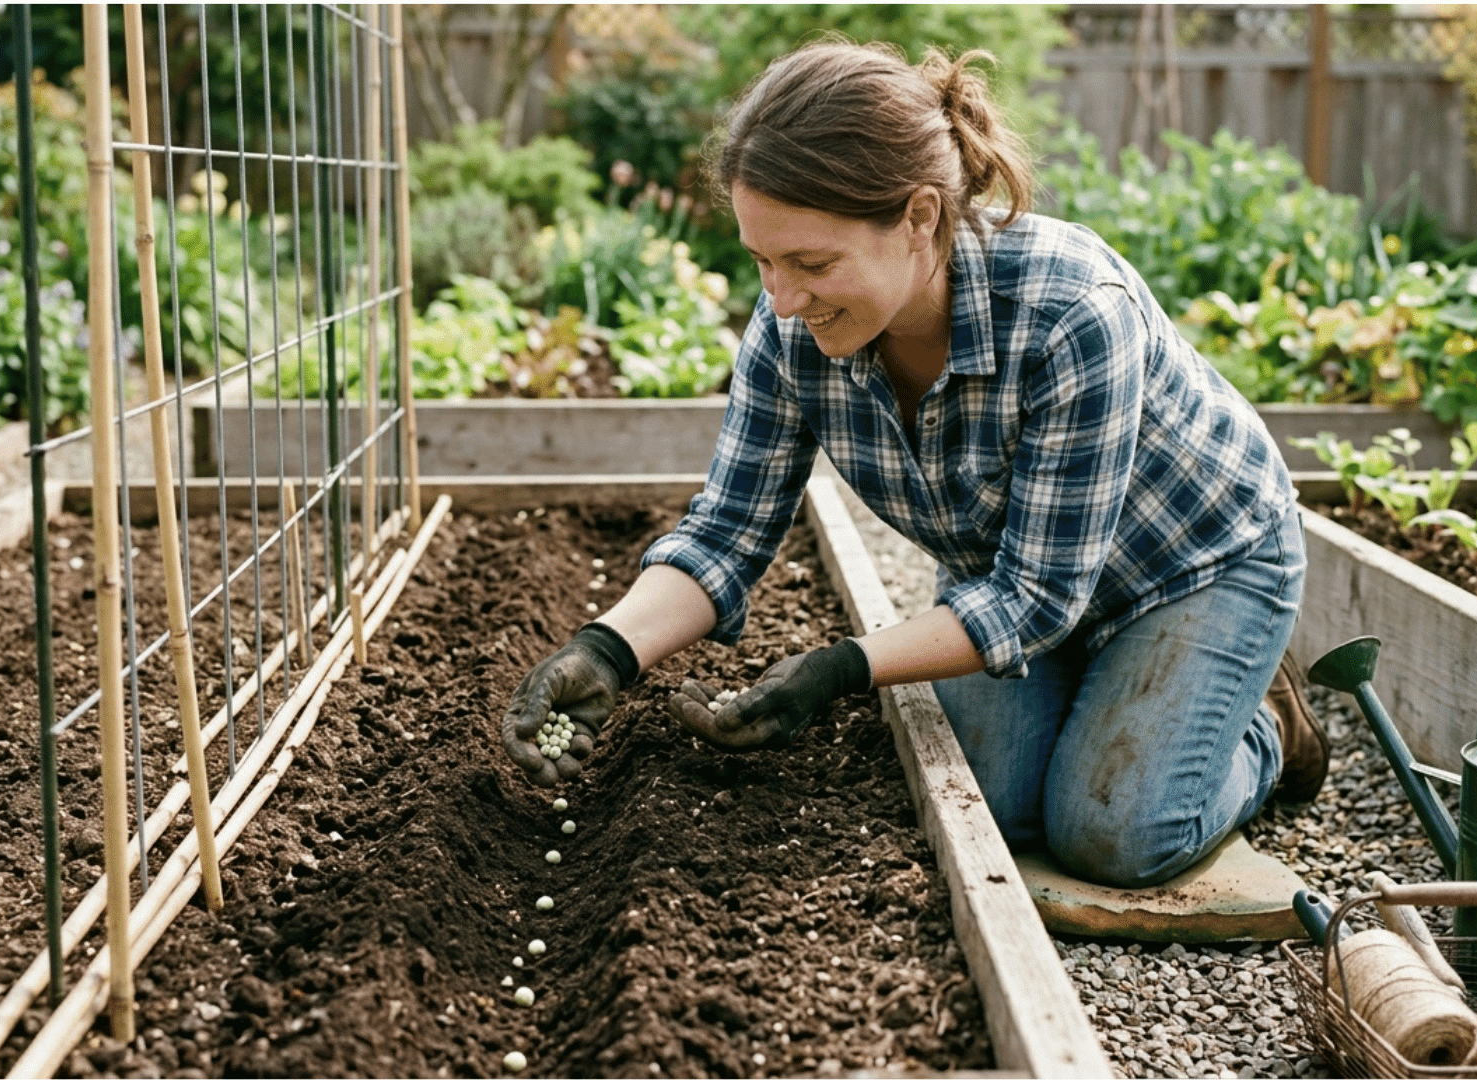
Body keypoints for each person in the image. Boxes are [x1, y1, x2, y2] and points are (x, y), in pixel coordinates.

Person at [497, 39, 1330, 890]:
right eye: (763, 262)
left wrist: (842, 667)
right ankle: (1112, 691)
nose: (782, 299)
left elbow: (1037, 600)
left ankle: (1264, 723)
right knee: (989, 806)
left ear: (921, 217)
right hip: (1017, 578)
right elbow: (728, 532)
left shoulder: (1070, 313)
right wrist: (604, 651)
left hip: (1195, 566)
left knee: (1110, 834)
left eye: (813, 264)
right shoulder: (794, 330)